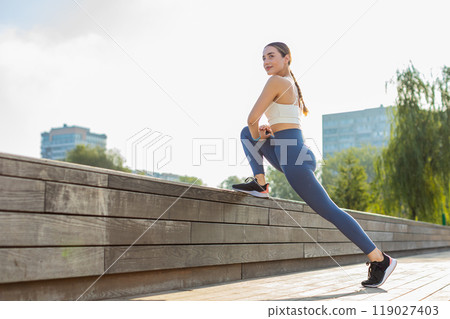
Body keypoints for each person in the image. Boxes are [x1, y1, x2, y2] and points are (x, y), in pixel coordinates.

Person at [231, 42, 397, 288]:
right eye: (263, 57)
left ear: (287, 58)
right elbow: (276, 126)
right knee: (248, 133)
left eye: (271, 56)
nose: (266, 61)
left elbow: (252, 118)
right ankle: (261, 184)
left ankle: (380, 259)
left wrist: (259, 136)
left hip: (294, 158)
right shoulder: (288, 83)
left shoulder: (277, 81)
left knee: (330, 211)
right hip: (291, 152)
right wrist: (265, 135)